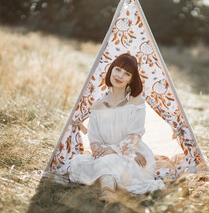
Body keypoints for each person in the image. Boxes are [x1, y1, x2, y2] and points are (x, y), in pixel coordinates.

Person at [69, 53, 164, 201]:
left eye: (127, 74)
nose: (120, 75)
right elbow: (94, 137)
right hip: (106, 152)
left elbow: (135, 135)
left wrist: (114, 150)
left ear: (131, 80)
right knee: (80, 162)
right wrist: (99, 150)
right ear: (111, 70)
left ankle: (107, 192)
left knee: (112, 160)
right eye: (118, 69)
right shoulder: (98, 105)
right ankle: (108, 189)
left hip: (133, 152)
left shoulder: (136, 102)